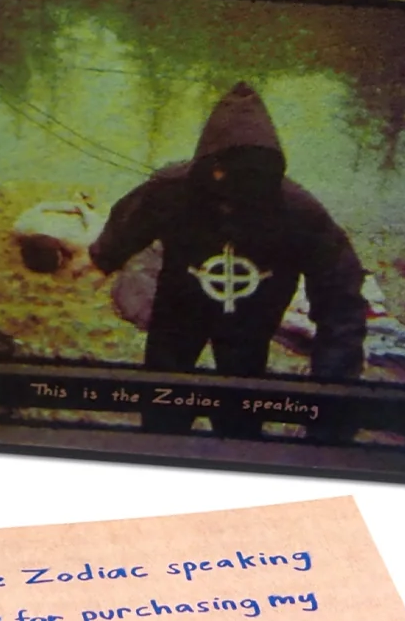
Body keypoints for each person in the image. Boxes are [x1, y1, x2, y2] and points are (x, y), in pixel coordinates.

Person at [87, 83, 368, 437]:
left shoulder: (298, 212)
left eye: (244, 174)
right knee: (163, 399)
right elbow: (133, 218)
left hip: (253, 316)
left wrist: (331, 399)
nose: (225, 181)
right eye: (218, 170)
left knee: (241, 407)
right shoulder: (172, 190)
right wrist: (105, 256)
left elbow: (341, 297)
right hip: (180, 308)